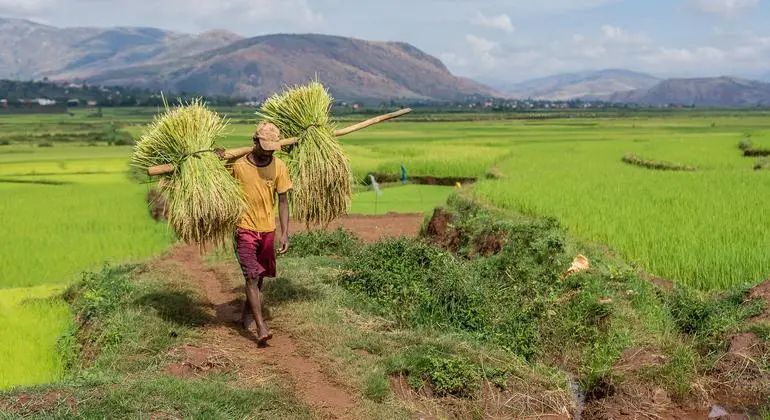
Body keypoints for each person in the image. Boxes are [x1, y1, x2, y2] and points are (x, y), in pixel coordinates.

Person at [214, 121, 292, 345]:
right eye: (264, 145)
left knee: (259, 279)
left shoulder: (279, 167)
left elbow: (283, 201)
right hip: (244, 229)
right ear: (255, 141)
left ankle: (247, 314)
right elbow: (217, 179)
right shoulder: (237, 166)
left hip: (268, 229)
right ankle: (261, 327)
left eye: (272, 147)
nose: (268, 151)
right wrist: (217, 158)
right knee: (251, 275)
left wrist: (285, 232)